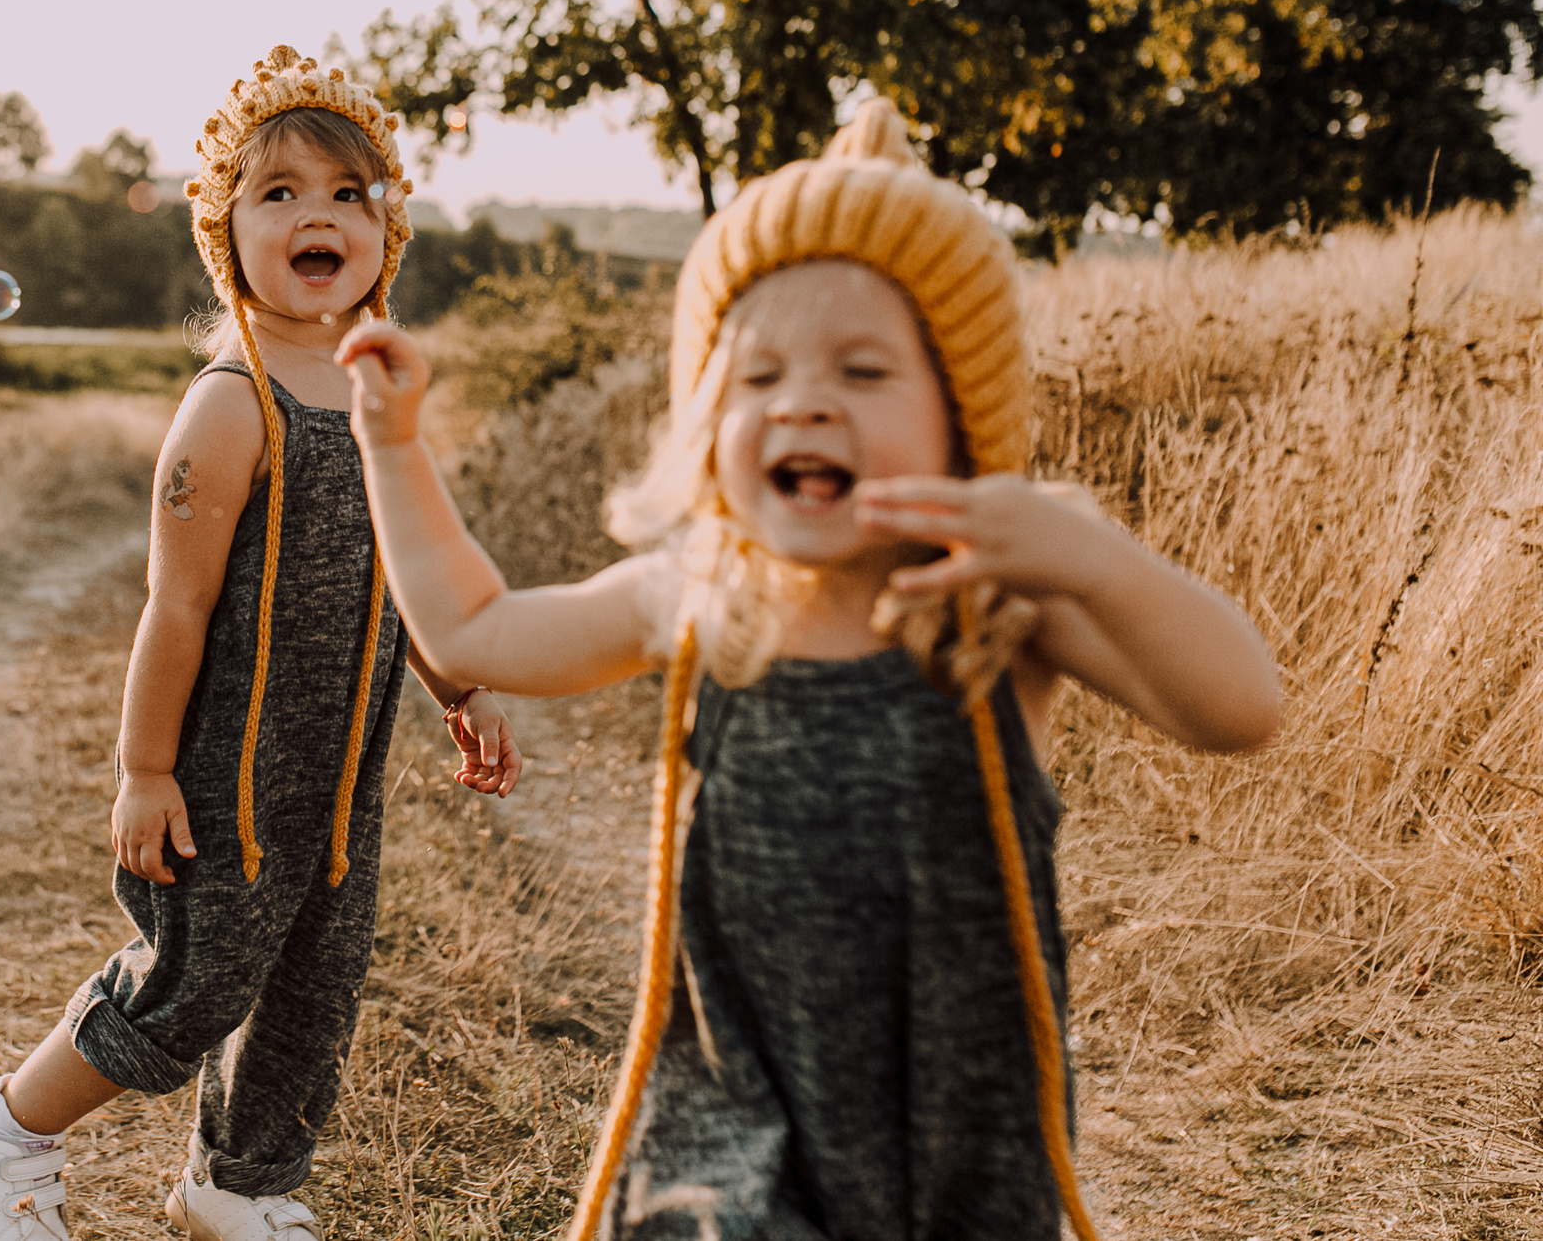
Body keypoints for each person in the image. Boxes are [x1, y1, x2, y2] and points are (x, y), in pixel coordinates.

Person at [335, 98, 1282, 1240]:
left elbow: (1238, 709)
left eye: (865, 368)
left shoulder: (997, 607)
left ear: (961, 414)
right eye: (760, 372)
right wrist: (393, 445)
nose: (805, 398)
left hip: (958, 1143)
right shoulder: (697, 595)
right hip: (735, 1132)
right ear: (704, 423)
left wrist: (1092, 556)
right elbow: (472, 629)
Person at [0, 46, 523, 1241]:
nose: (320, 214)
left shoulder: (375, 394)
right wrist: (145, 770)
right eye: (282, 191)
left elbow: (403, 577)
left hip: (339, 776)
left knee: (312, 988)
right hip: (230, 774)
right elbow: (174, 607)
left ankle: (238, 1183)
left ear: (385, 232)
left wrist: (461, 682)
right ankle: (0, 1127)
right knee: (196, 981)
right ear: (227, 230)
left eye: (350, 194)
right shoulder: (231, 401)